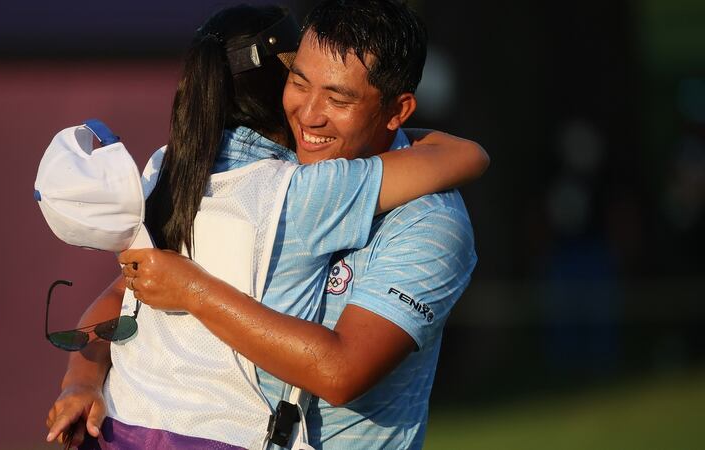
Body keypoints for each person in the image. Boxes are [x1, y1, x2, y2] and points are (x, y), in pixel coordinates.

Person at [46, 2, 486, 449]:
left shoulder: (429, 221)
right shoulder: (267, 170)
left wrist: (193, 291)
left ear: (398, 111)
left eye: (338, 99)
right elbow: (127, 293)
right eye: (298, 82)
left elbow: (341, 372)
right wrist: (81, 379)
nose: (308, 115)